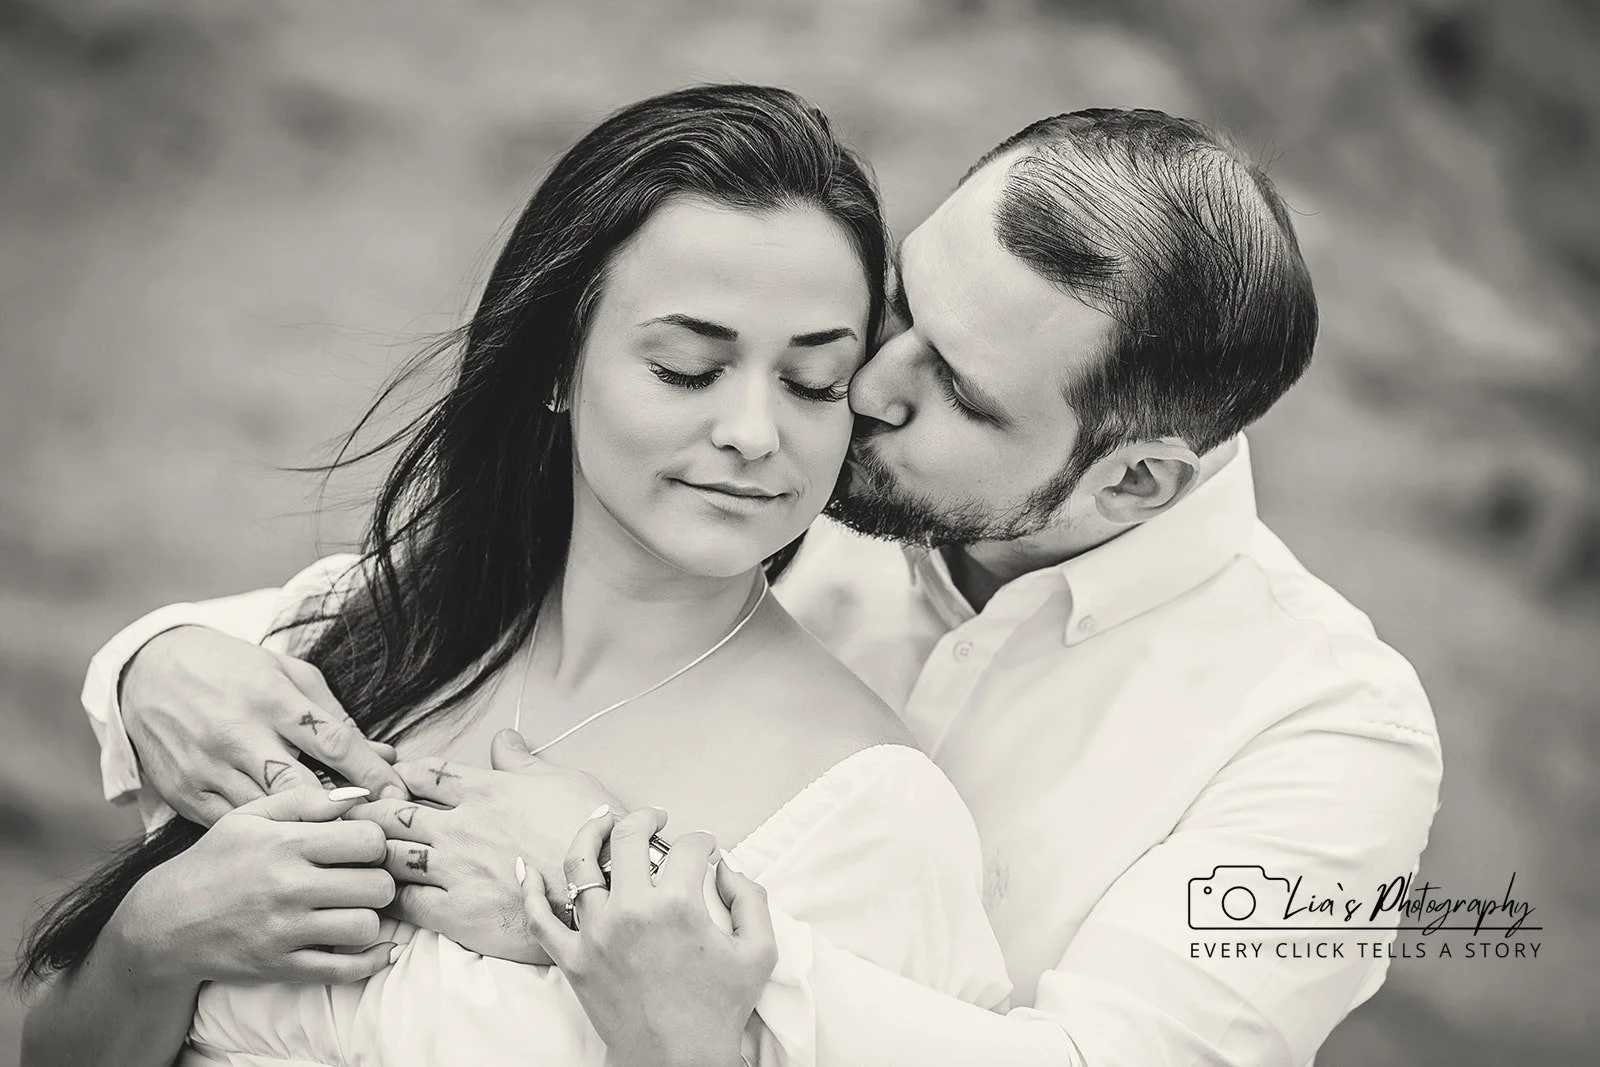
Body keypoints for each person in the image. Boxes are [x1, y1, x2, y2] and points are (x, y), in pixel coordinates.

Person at [54, 107, 1442, 1065]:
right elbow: (429, 609)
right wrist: (153, 656)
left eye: (954, 384)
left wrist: (614, 900)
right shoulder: (799, 479)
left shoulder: (1325, 728)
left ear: (1133, 482)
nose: (863, 392)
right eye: (901, 308)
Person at [15, 84, 1016, 1067]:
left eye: (812, 381)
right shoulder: (339, 633)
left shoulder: (868, 811)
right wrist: (155, 939)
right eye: (685, 368)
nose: (754, 433)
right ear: (554, 365)